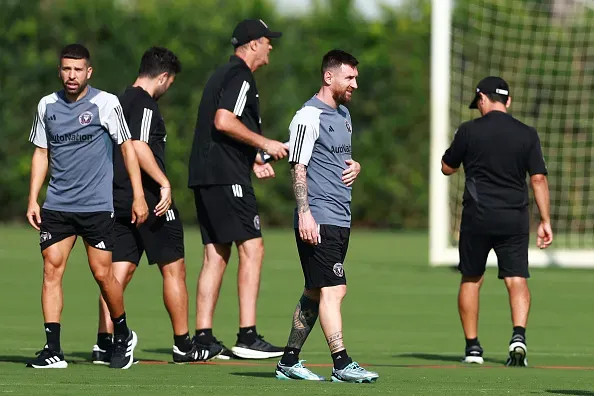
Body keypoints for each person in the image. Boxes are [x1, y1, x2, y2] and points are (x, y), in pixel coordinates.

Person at [26, 44, 148, 369]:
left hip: (96, 206)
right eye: (66, 69)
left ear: (88, 72)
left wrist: (138, 194)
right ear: (59, 70)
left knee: (102, 274)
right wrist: (32, 198)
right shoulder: (46, 106)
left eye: (78, 69)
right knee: (51, 269)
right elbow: (41, 152)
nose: (71, 75)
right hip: (57, 205)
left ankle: (122, 334)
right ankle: (53, 349)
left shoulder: (106, 103)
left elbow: (127, 148)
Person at [89, 47, 214, 365]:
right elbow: (140, 146)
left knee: (117, 274)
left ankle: (106, 342)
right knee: (174, 269)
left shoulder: (116, 101)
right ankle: (184, 346)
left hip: (116, 198)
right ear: (163, 76)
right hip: (149, 199)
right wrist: (163, 183)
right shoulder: (145, 104)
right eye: (170, 82)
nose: (168, 88)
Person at [275, 49, 379, 383]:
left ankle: (288, 361)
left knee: (315, 291)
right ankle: (341, 363)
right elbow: (298, 165)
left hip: (340, 218)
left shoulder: (345, 115)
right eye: (350, 77)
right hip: (318, 218)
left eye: (356, 78)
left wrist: (357, 166)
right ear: (328, 76)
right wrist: (305, 213)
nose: (355, 85)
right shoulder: (307, 116)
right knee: (335, 289)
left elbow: (335, 159)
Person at [187, 19, 288, 359]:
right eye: (267, 41)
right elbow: (224, 120)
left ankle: (203, 338)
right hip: (225, 177)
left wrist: (255, 157)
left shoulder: (221, 73)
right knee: (253, 249)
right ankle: (247, 336)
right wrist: (266, 143)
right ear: (253, 44)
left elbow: (225, 128)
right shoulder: (241, 75)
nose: (271, 46)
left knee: (216, 253)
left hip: (206, 175)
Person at [441, 76, 553, 367]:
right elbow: (538, 178)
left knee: (471, 278)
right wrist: (545, 220)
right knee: (516, 279)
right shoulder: (527, 133)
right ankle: (518, 336)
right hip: (514, 217)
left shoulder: (468, 131)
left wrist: (461, 148)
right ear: (508, 101)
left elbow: (446, 167)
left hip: (477, 217)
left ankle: (473, 348)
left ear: (481, 99)